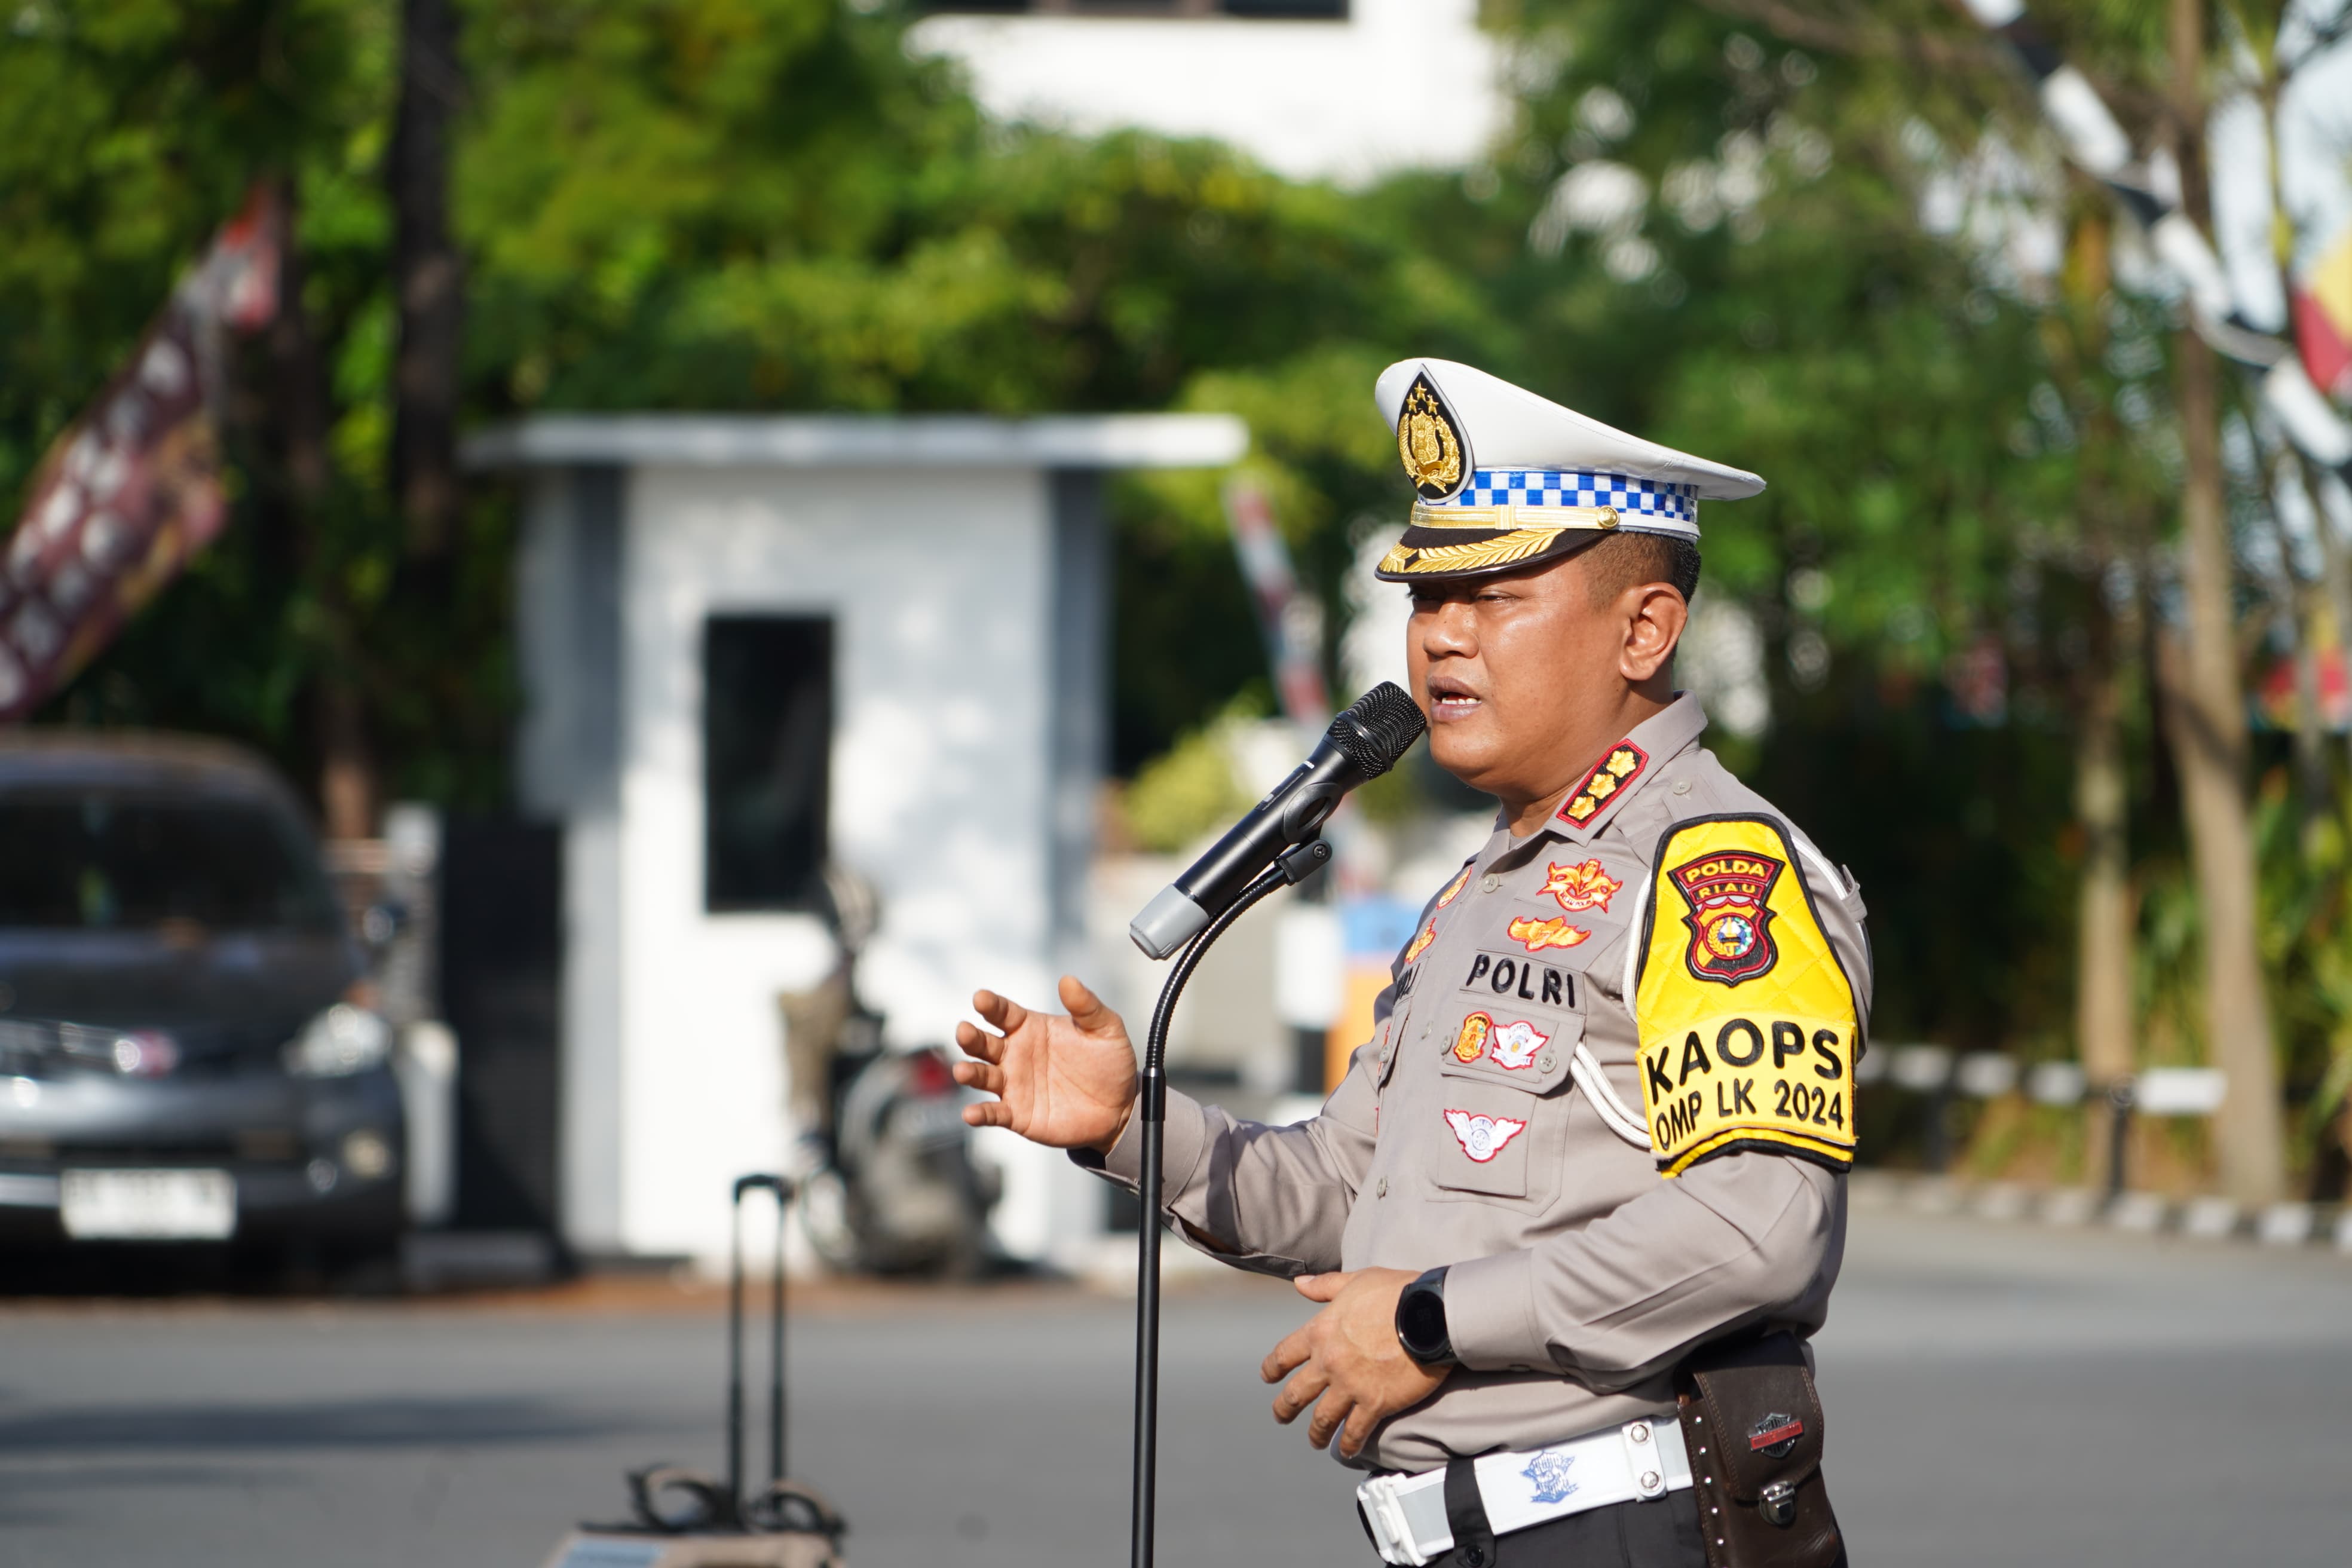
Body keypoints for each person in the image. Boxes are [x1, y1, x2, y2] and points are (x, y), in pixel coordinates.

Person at [953, 358, 1869, 1568]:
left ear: (1644, 629)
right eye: (1429, 594)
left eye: (1496, 593)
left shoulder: (1712, 871)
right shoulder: (1487, 884)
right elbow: (1349, 1190)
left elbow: (1761, 1226)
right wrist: (1131, 1127)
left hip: (1616, 1527)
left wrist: (1434, 1321)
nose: (1442, 633)